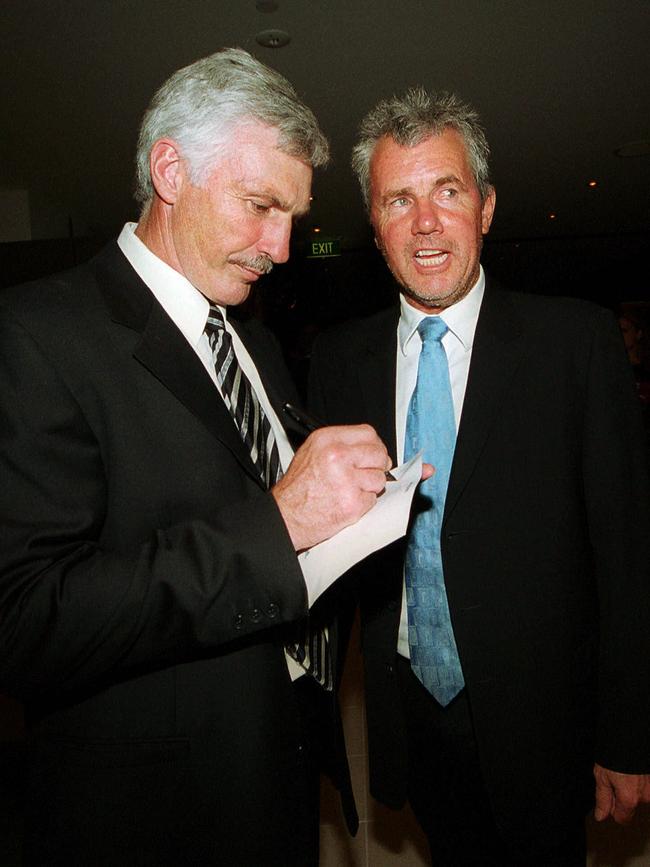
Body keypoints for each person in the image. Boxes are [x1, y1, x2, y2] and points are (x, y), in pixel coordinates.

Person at [0, 49, 394, 866]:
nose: (282, 248)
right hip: (151, 812)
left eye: (294, 217)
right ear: (170, 170)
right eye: (261, 206)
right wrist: (279, 523)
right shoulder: (36, 334)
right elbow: (27, 620)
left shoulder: (250, 332)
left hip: (278, 774)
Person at [309, 88, 650, 866]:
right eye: (400, 199)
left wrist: (629, 734)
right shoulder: (339, 361)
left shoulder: (576, 344)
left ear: (487, 208)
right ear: (374, 224)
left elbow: (629, 557)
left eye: (447, 192)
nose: (425, 222)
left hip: (545, 722)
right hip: (413, 716)